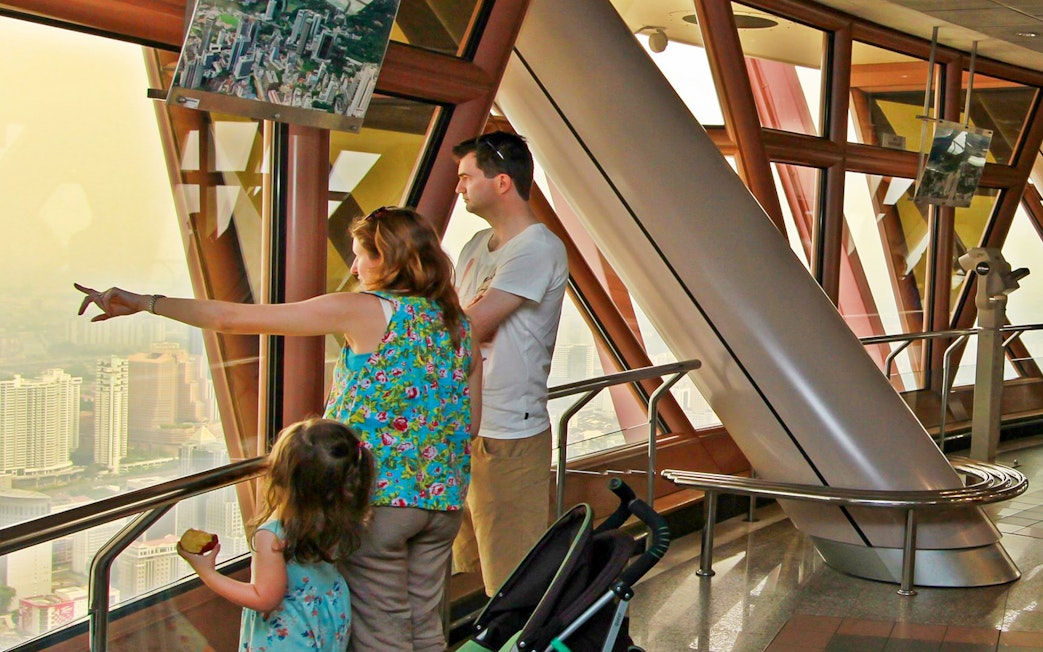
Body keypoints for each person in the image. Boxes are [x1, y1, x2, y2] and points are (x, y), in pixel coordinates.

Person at [76, 206, 481, 652]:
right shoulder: (458, 323)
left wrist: (145, 303)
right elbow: (471, 423)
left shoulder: (367, 310)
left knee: (383, 632)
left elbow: (233, 319)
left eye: (361, 255)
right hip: (444, 498)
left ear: (388, 258)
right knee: (425, 625)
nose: (354, 268)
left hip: (375, 500)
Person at [450, 131, 569, 597]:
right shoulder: (476, 245)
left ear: (501, 182)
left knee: (512, 579)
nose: (459, 187)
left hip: (508, 434)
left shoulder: (537, 247)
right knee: (474, 566)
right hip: (465, 424)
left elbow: (468, 327)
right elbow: (456, 322)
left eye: (466, 176)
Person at [178, 418, 373, 651]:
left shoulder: (272, 536)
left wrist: (207, 573)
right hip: (327, 618)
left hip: (291, 632)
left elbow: (265, 599)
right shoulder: (339, 514)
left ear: (282, 477)